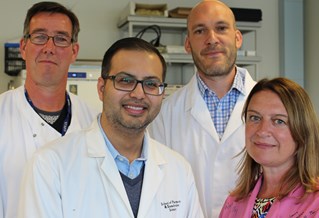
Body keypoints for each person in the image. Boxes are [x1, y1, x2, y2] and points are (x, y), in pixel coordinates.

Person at [18, 37, 204, 218]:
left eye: (151, 84)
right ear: (101, 88)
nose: (138, 94)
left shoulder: (179, 170)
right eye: (125, 80)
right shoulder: (50, 165)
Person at [148, 0, 256, 217]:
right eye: (200, 31)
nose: (212, 39)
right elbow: (156, 189)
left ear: (237, 38)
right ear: (188, 44)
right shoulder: (164, 115)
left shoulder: (273, 108)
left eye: (221, 28)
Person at [0, 2, 98, 217]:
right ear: (23, 47)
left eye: (61, 38)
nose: (49, 48)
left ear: (74, 51)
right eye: (40, 36)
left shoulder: (95, 122)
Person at [219, 77, 319, 217]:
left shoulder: (315, 202)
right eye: (255, 118)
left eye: (279, 121)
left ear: (302, 130)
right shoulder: (234, 203)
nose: (262, 131)